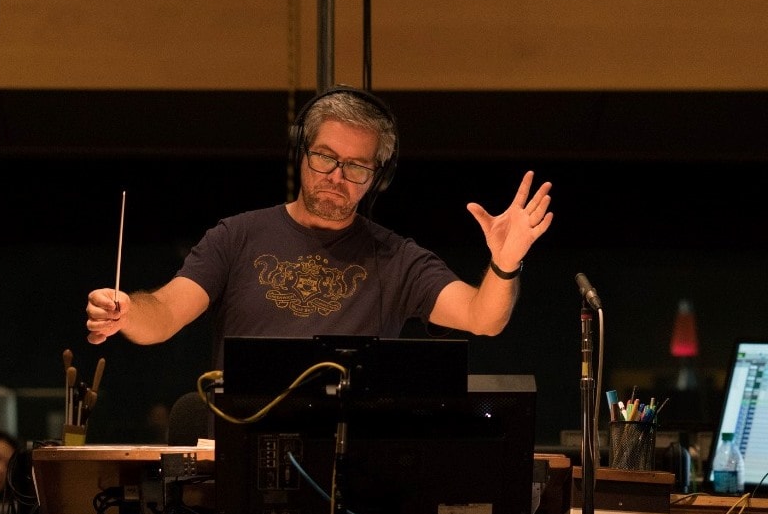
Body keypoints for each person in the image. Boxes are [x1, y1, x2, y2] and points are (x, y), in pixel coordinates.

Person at [85, 85, 554, 359]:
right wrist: (127, 311)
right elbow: (165, 314)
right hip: (246, 452)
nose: (336, 176)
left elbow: (482, 318)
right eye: (325, 157)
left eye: (356, 167)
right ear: (301, 154)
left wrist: (505, 263)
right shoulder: (237, 237)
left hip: (354, 464)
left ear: (378, 178)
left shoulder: (396, 258)